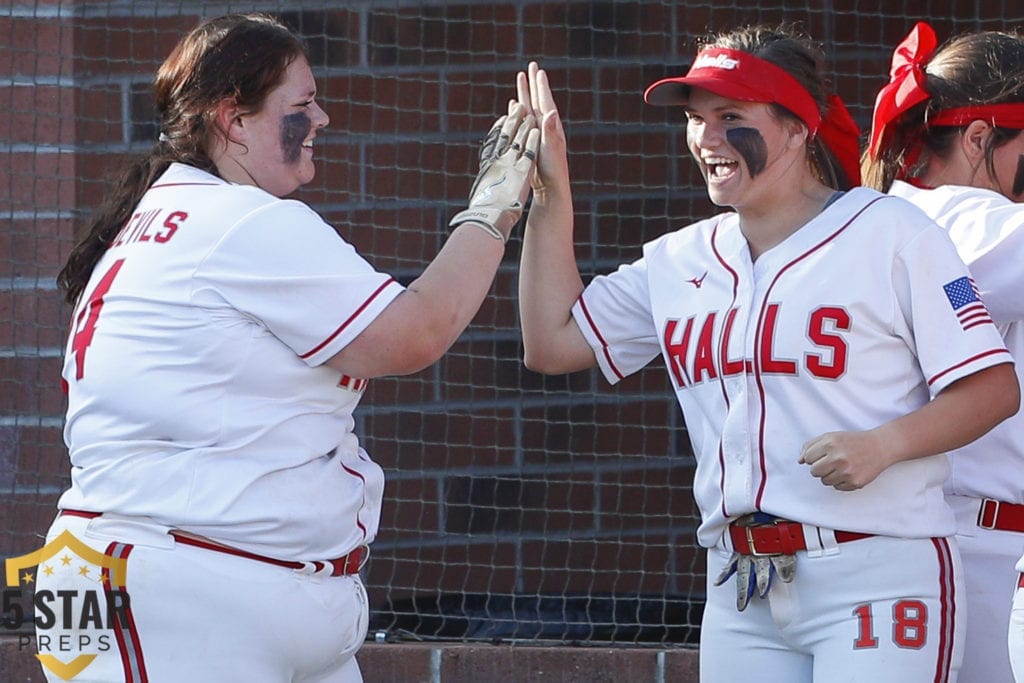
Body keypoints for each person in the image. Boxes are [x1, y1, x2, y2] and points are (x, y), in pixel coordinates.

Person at [39, 13, 537, 683]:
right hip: (166, 590)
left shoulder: (158, 215)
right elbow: (417, 332)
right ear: (232, 120)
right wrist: (495, 205)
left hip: (174, 579)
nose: (322, 118)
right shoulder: (238, 221)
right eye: (300, 106)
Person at [515, 24, 1019, 682]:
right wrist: (549, 193)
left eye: (731, 116)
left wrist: (885, 443)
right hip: (738, 584)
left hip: (876, 567)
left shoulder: (893, 232)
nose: (707, 137)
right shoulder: (680, 259)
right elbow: (550, 342)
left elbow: (991, 389)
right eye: (697, 119)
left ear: (797, 127)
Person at [862, 22, 1024, 683]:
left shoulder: (877, 214)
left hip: (918, 546)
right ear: (981, 138)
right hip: (981, 554)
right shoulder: (970, 218)